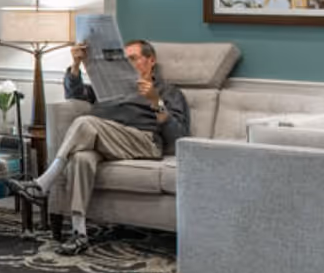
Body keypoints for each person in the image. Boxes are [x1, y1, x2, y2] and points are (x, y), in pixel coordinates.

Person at [10, 38, 189, 255]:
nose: (128, 65)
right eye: (124, 61)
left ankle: (43, 183)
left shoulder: (167, 91)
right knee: (81, 158)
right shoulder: (109, 88)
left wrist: (155, 102)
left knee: (86, 122)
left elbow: (177, 135)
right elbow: (75, 95)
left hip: (142, 142)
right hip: (103, 139)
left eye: (133, 59)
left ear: (151, 60)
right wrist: (76, 65)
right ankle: (79, 233)